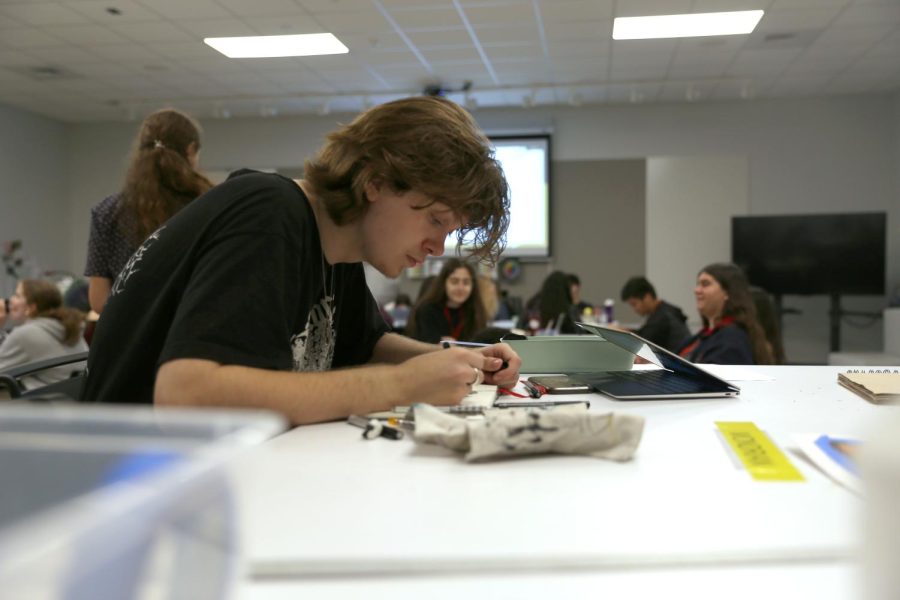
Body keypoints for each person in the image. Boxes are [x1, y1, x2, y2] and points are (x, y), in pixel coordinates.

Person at [81, 96, 521, 424]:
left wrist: (464, 363)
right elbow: (187, 394)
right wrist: (403, 385)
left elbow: (367, 345)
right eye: (435, 219)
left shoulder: (340, 245)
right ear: (377, 182)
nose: (437, 248)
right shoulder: (269, 213)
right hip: (119, 490)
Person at [84, 108, 213, 314]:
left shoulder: (106, 212)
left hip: (129, 338)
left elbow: (98, 300)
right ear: (190, 151)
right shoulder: (208, 206)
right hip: (190, 333)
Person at [677, 263, 773, 365]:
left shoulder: (733, 340)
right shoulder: (700, 337)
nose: (697, 290)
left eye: (705, 284)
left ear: (727, 292)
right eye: (698, 284)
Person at [0, 279, 88, 387]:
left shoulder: (25, 334)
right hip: (72, 397)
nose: (11, 300)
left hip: (42, 400)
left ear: (32, 307)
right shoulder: (69, 326)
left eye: (17, 296)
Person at [407, 258, 487, 343]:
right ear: (443, 283)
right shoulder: (427, 310)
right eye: (454, 281)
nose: (460, 288)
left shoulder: (476, 311)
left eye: (466, 282)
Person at [619, 276, 690, 352]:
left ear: (647, 297)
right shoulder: (664, 311)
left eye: (634, 304)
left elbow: (641, 340)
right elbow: (644, 332)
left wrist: (620, 332)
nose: (634, 310)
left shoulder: (663, 317)